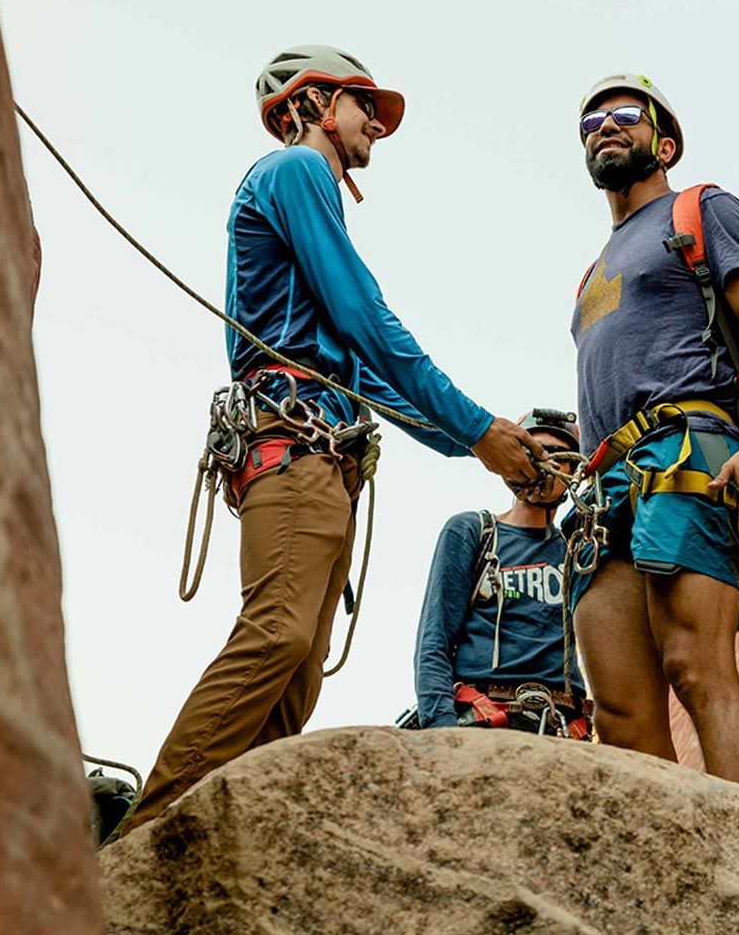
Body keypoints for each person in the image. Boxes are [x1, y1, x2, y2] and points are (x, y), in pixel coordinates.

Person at [120, 45, 544, 834]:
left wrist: (478, 441)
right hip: (293, 444)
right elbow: (364, 318)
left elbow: (369, 374)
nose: (376, 125)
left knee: (295, 680)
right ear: (313, 105)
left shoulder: (306, 194)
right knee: (279, 636)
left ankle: (215, 845)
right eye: (363, 106)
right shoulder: (295, 175)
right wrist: (480, 430)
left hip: (320, 449)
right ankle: (141, 837)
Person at [566, 73, 739, 789]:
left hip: (688, 448)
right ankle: (676, 885)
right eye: (591, 122)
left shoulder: (703, 210)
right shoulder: (590, 275)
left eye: (626, 115)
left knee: (697, 667)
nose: (606, 125)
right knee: (623, 713)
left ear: (663, 141)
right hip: (605, 483)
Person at [411, 408, 739, 737]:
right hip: (484, 718)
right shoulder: (473, 532)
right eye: (535, 451)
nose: (546, 464)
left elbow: (662, 619)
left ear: (574, 472)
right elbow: (435, 639)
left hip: (561, 727)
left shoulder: (584, 549)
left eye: (560, 455)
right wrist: (441, 732)